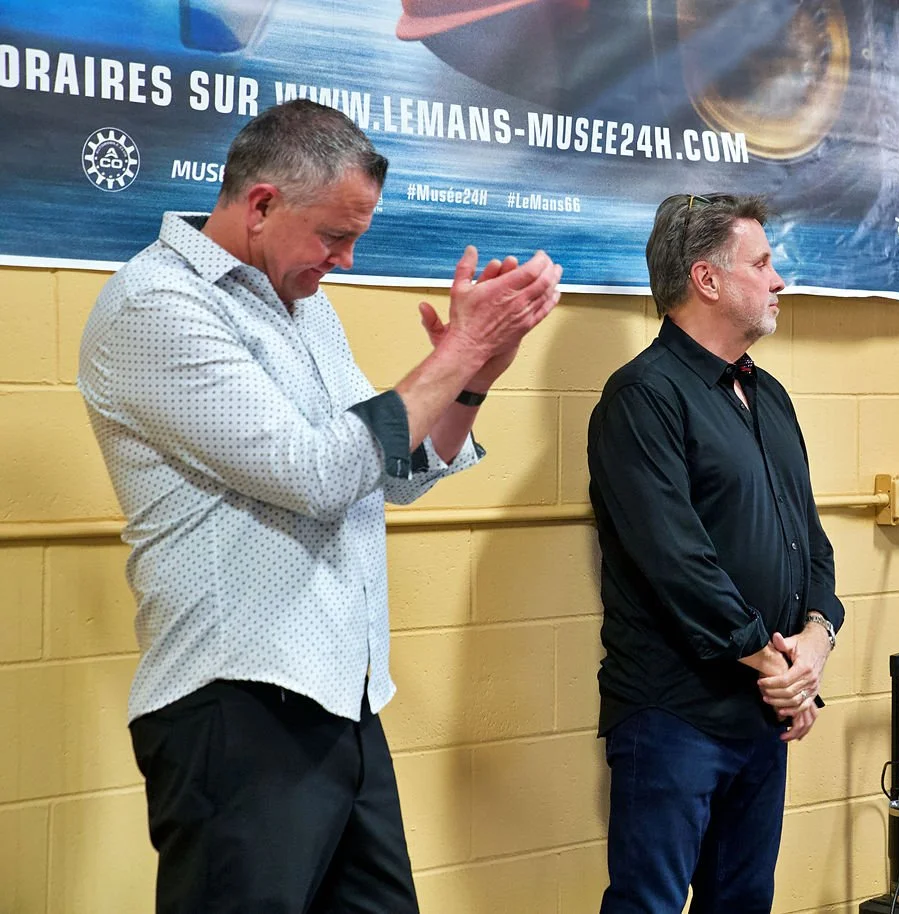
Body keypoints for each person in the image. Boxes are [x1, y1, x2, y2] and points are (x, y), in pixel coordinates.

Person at [77, 98, 561, 914]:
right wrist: (459, 350)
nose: (342, 259)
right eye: (335, 235)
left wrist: (473, 375)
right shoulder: (156, 305)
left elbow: (391, 471)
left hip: (344, 700)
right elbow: (313, 473)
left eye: (356, 239)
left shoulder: (302, 308)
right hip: (236, 706)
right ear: (262, 204)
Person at [588, 192, 844, 913]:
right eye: (761, 263)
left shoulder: (771, 397)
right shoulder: (642, 398)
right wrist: (776, 666)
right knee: (651, 904)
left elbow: (809, 543)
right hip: (677, 717)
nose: (778, 280)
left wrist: (815, 645)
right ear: (707, 280)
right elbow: (678, 561)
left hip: (764, 713)